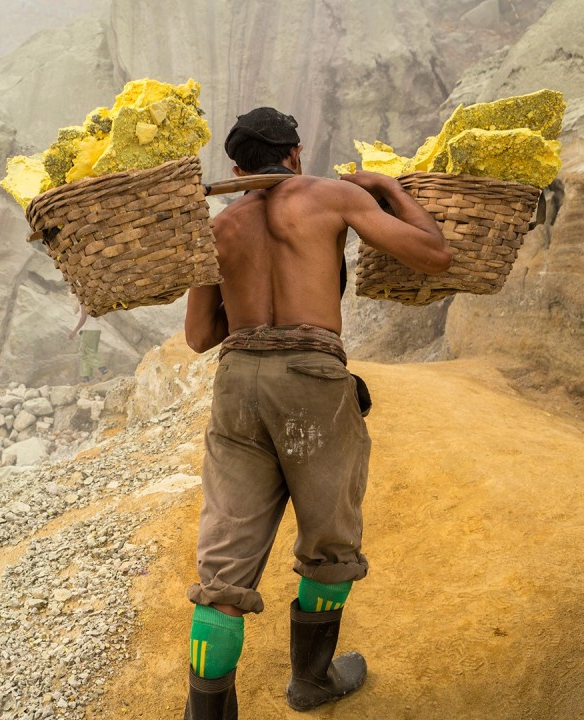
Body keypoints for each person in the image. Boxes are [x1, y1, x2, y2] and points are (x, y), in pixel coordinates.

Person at [180, 107, 449, 718]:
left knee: (223, 569)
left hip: (239, 383)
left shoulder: (219, 227)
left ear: (238, 168)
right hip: (311, 378)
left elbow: (199, 336)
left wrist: (247, 300)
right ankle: (312, 679)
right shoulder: (330, 197)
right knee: (328, 542)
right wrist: (384, 187)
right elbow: (435, 254)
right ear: (295, 154)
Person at [69, 302, 108, 383]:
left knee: (84, 353)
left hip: (88, 330)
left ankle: (104, 369)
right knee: (86, 354)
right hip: (96, 329)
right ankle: (86, 378)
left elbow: (84, 317)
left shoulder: (84, 301)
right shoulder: (92, 300)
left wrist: (75, 331)